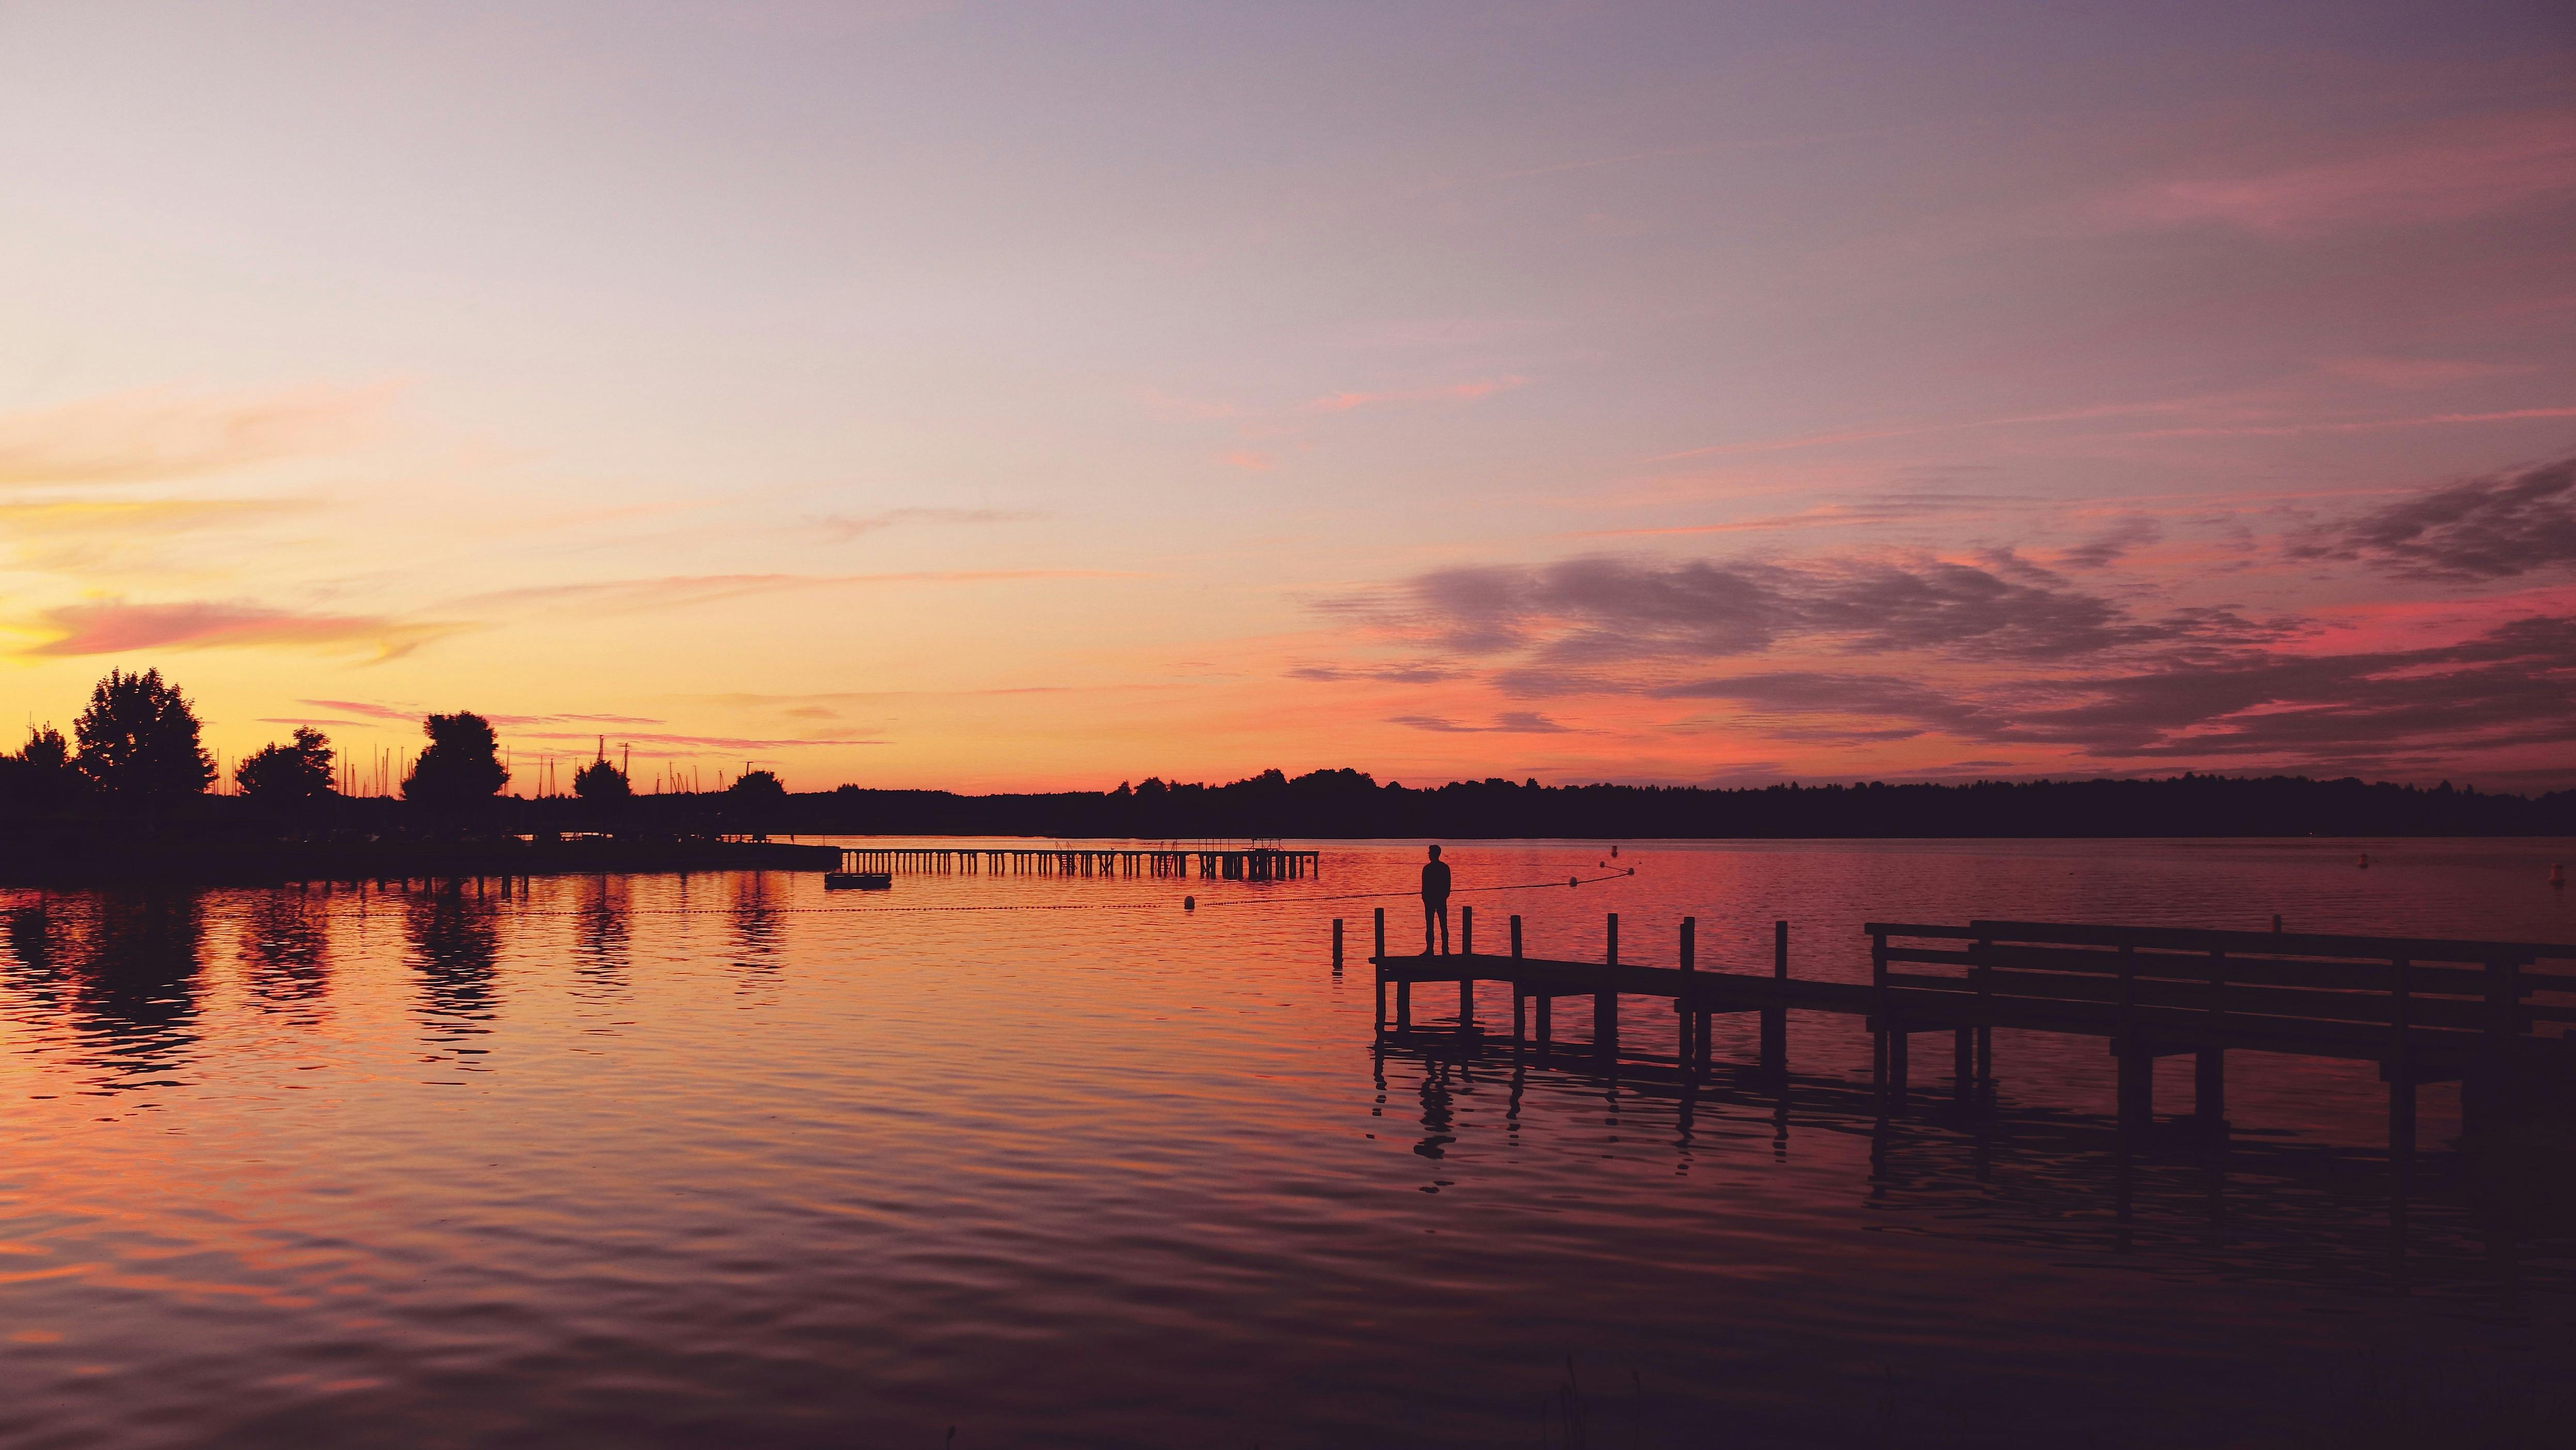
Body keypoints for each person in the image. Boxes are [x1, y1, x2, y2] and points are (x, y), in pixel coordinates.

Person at [1420, 844, 1452, 956]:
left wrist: (1425, 898)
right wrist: (1443, 896)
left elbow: (1424, 887)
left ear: (1433, 854)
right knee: (1443, 925)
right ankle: (1445, 951)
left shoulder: (1428, 869)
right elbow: (1448, 886)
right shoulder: (1445, 868)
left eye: (1430, 853)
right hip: (1439, 900)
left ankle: (1431, 950)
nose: (1428, 855)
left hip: (1432, 900)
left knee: (1432, 926)